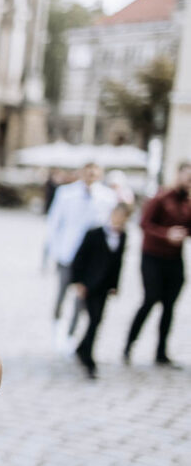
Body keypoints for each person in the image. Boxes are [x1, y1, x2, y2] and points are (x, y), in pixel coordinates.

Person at [124, 161, 191, 366]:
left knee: (170, 306)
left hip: (174, 258)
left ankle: (161, 351)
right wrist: (166, 234)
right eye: (188, 177)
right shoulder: (161, 197)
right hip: (153, 256)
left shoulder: (188, 202)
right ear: (178, 175)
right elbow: (144, 223)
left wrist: (183, 234)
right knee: (150, 299)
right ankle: (129, 344)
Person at [47, 162, 117, 334]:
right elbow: (54, 223)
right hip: (68, 251)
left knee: (82, 295)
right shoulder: (66, 193)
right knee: (62, 290)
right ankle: (56, 322)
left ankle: (72, 329)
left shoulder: (108, 197)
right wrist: (55, 250)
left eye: (94, 172)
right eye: (88, 171)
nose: (91, 175)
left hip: (90, 257)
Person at [70, 203, 130, 378]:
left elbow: (118, 263)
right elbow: (80, 258)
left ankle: (82, 348)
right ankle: (88, 358)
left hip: (105, 286)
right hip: (89, 284)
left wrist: (115, 285)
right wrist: (79, 282)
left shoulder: (124, 236)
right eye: (117, 215)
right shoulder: (94, 234)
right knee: (94, 319)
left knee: (97, 320)